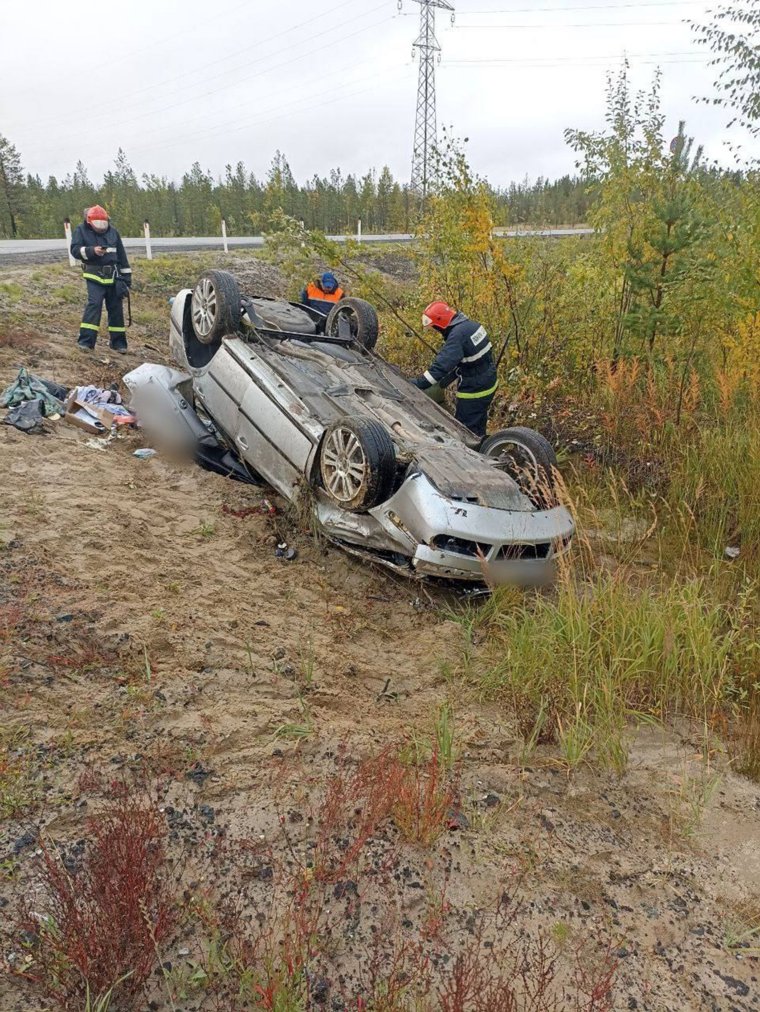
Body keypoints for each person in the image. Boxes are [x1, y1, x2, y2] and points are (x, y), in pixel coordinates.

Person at [412, 301, 498, 438]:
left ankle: (471, 456)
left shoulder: (457, 337)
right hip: (489, 380)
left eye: (435, 327)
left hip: (474, 390)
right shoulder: (472, 326)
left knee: (465, 431)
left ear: (441, 323)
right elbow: (472, 358)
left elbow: (441, 365)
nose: (435, 330)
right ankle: (482, 443)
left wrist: (419, 383)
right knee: (479, 420)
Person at [70, 205, 132, 353]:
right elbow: (75, 250)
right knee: (94, 305)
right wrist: (92, 251)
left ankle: (119, 344)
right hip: (94, 276)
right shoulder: (80, 230)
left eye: (103, 225)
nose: (101, 228)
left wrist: (126, 279)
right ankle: (86, 342)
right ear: (89, 222)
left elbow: (122, 257)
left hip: (114, 277)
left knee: (116, 309)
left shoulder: (113, 232)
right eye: (98, 225)